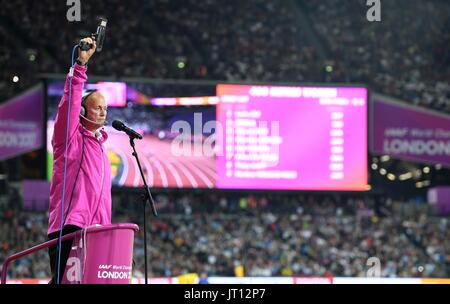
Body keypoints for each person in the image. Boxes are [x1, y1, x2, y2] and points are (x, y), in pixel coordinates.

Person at [47, 37, 112, 284]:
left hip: (98, 231)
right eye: (97, 108)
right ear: (83, 112)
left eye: (105, 108)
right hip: (70, 227)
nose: (103, 112)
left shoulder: (101, 147)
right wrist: (80, 66)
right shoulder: (69, 139)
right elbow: (69, 107)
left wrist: (108, 229)